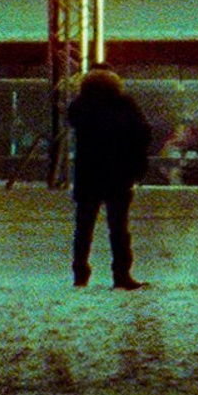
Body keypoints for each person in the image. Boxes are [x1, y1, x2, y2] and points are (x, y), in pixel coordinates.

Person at [66, 66, 150, 290]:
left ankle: (80, 274)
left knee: (84, 227)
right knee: (119, 228)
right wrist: (137, 167)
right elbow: (142, 134)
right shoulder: (124, 104)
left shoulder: (80, 106)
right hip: (118, 175)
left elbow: (72, 120)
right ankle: (121, 274)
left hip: (88, 174)